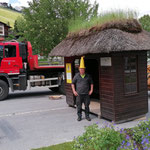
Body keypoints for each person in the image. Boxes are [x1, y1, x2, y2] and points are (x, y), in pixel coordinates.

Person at [71, 56, 94, 121]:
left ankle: (87, 116)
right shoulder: (76, 76)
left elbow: (91, 83)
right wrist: (74, 91)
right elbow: (72, 84)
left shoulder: (88, 76)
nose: (82, 70)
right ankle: (79, 116)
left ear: (84, 69)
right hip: (79, 94)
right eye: (81, 69)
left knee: (87, 106)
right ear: (79, 69)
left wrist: (91, 90)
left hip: (86, 94)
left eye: (83, 69)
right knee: (79, 106)